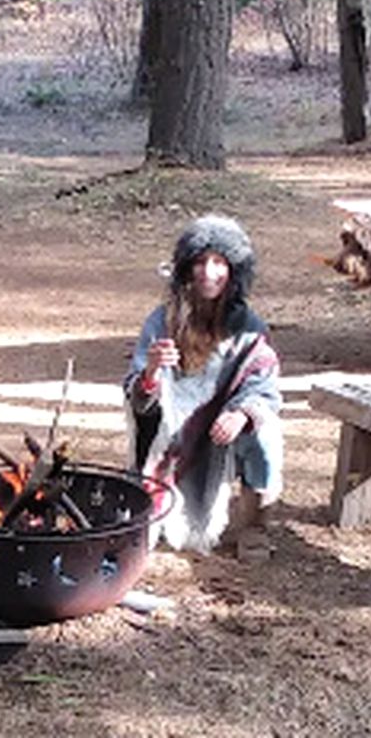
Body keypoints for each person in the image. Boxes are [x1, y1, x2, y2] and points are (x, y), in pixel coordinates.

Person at [124, 214, 283, 559]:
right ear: (185, 269)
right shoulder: (161, 321)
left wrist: (242, 413)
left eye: (219, 262)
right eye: (199, 262)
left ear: (234, 271)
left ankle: (255, 525)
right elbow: (138, 400)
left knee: (265, 430)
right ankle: (160, 510)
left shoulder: (250, 326)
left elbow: (265, 387)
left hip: (224, 434)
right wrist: (151, 372)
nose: (208, 273)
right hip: (174, 433)